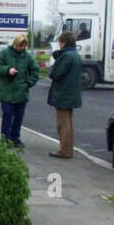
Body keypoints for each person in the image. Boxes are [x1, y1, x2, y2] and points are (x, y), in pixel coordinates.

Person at [0, 34, 39, 148]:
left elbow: (35, 71)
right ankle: (5, 139)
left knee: (19, 116)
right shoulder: (4, 53)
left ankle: (15, 138)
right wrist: (8, 70)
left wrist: (28, 83)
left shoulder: (27, 56)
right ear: (15, 44)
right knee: (8, 115)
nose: (21, 48)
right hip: (6, 91)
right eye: (20, 46)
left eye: (24, 46)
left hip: (21, 92)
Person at [47, 30, 83, 158]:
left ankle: (64, 151)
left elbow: (55, 74)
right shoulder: (76, 55)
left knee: (63, 123)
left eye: (60, 42)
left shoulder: (66, 56)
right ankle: (68, 148)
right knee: (69, 122)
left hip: (63, 93)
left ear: (64, 42)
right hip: (72, 93)